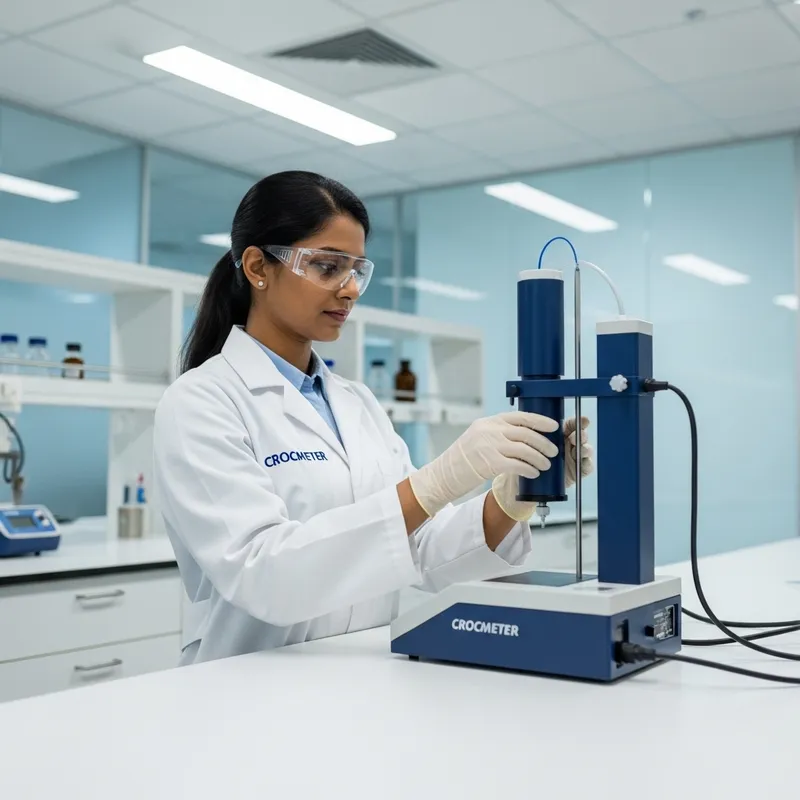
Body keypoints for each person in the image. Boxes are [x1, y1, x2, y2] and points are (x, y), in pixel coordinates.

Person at [153, 171, 594, 665]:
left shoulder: (356, 403)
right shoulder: (201, 402)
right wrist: (435, 483)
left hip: (361, 680)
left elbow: (425, 552)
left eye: (357, 271)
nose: (349, 290)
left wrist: (509, 499)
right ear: (258, 266)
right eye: (326, 267)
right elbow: (263, 575)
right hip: (248, 688)